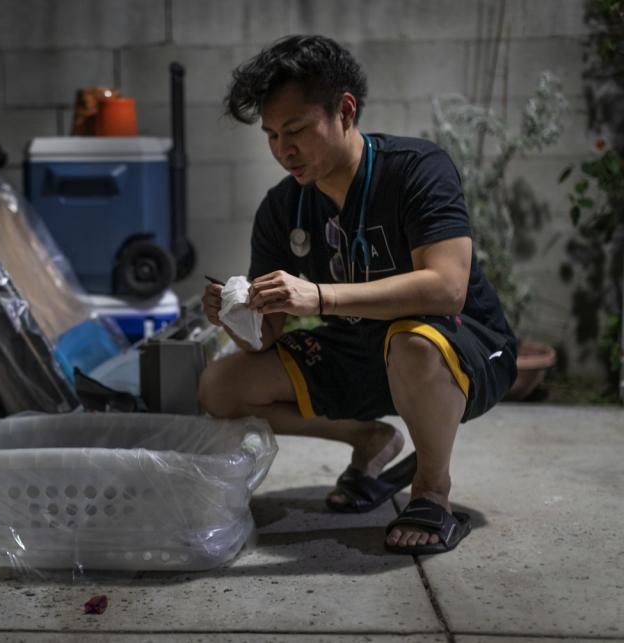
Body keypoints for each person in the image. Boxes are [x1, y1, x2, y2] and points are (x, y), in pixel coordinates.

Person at [198, 35, 517, 555]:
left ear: (345, 110)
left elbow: (447, 288)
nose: (284, 150)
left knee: (412, 343)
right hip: (359, 351)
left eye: (297, 130)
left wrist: (320, 297)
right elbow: (266, 338)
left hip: (461, 343)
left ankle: (432, 493)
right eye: (273, 135)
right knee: (219, 387)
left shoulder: (416, 169)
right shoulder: (283, 209)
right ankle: (368, 440)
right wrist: (232, 315)